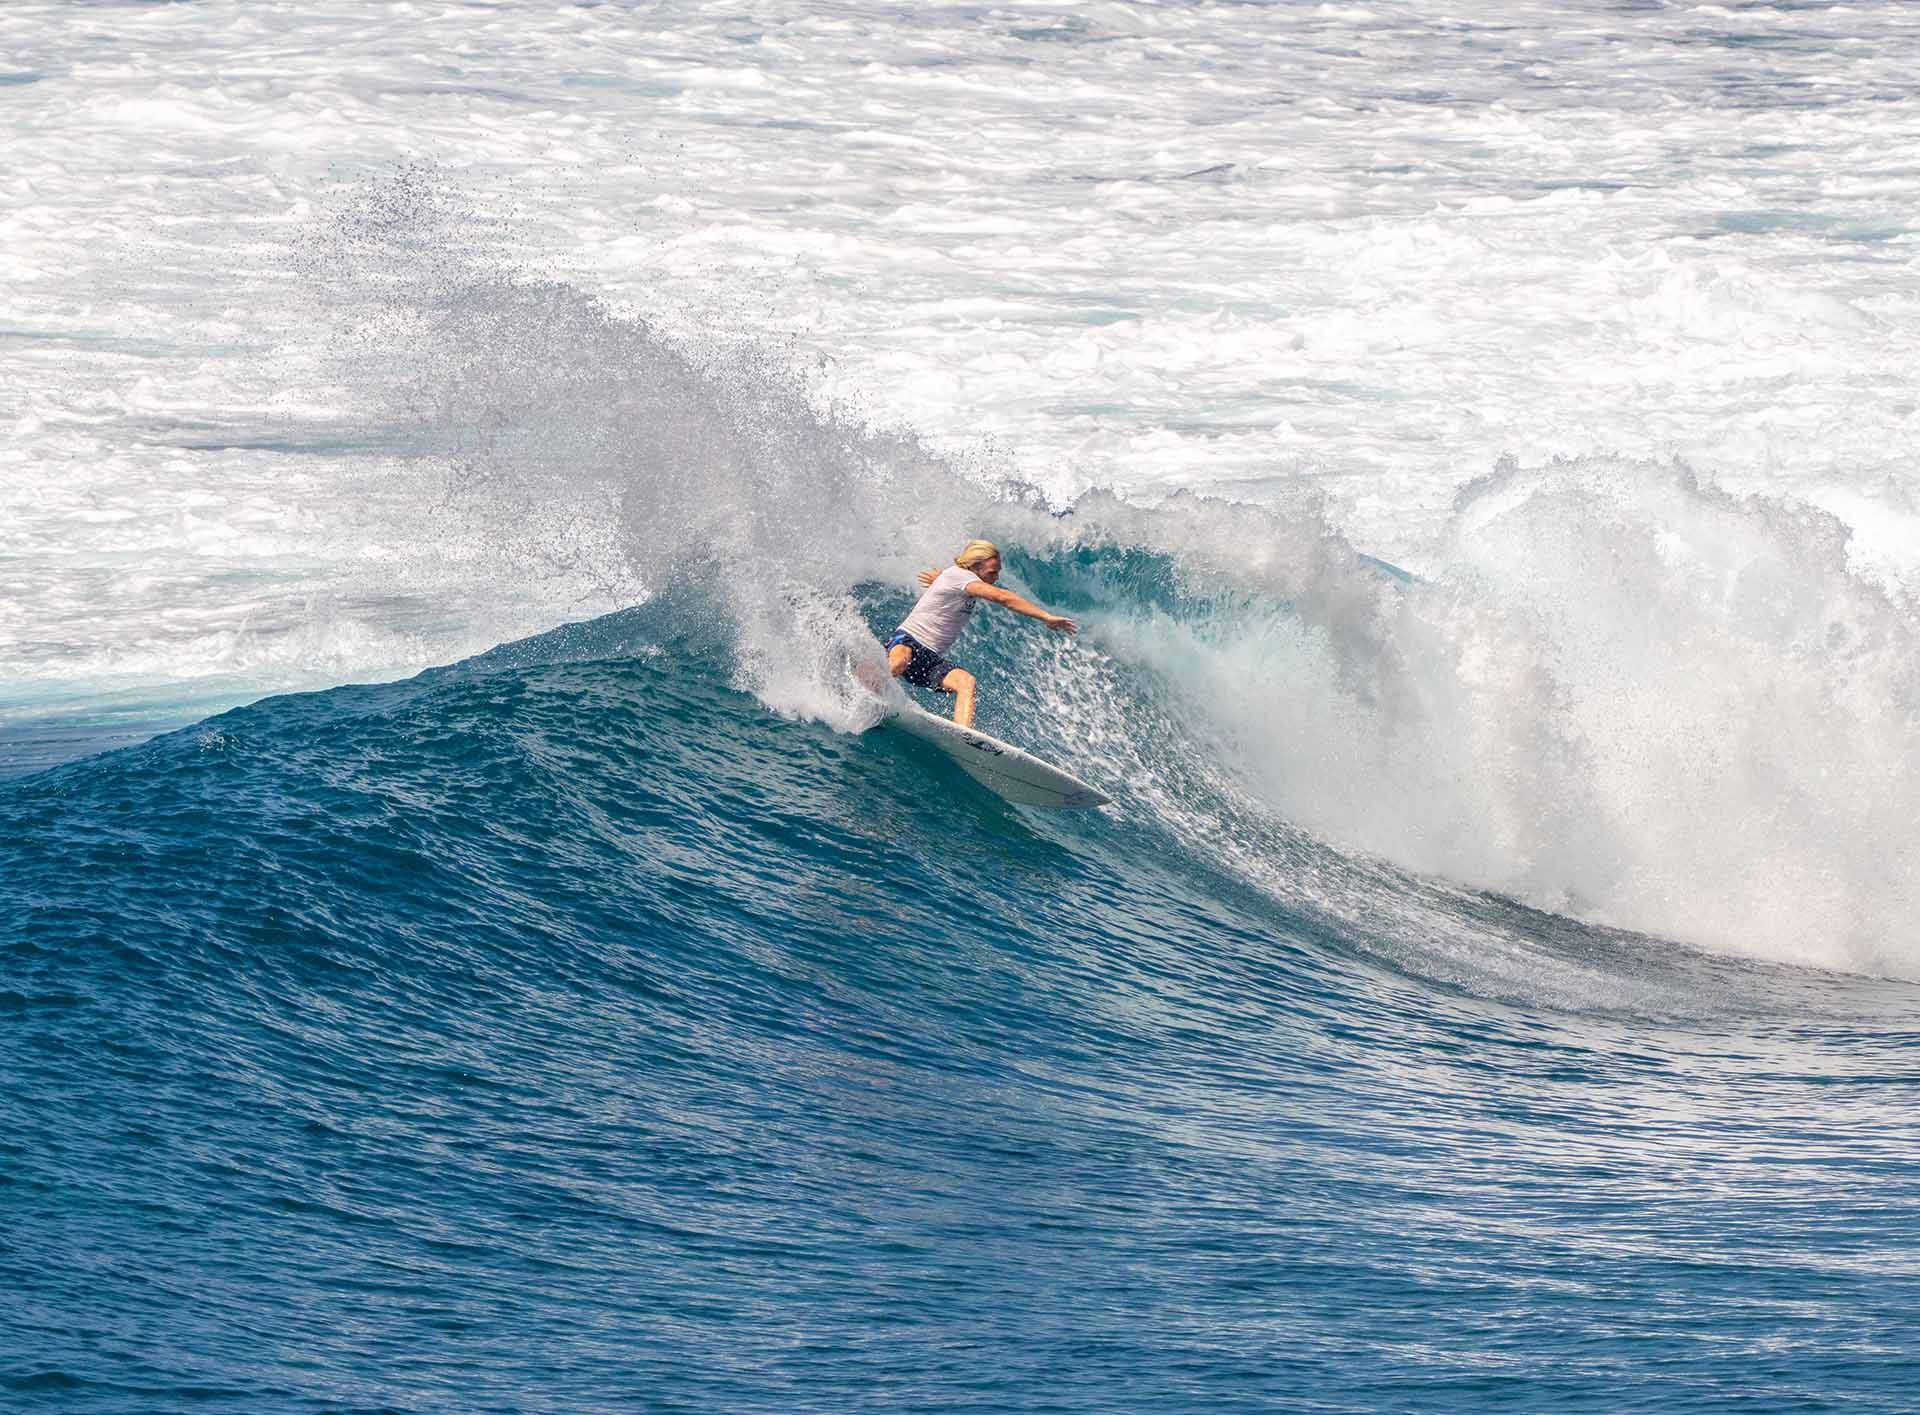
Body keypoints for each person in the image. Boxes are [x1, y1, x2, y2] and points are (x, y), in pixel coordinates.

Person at [885, 539, 1076, 728]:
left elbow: (953, 583)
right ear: (975, 567)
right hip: (908, 639)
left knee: (966, 682)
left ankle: (962, 735)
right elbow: (1003, 597)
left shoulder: (959, 579)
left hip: (931, 657)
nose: (996, 577)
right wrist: (1046, 617)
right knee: (899, 662)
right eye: (992, 572)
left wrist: (940, 579)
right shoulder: (960, 575)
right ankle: (868, 689)